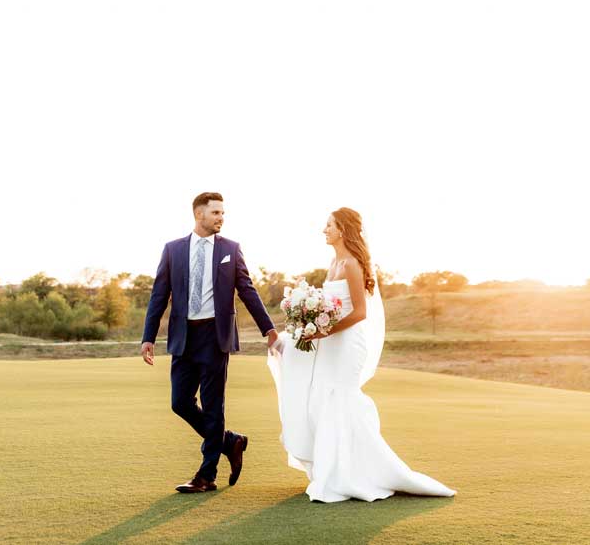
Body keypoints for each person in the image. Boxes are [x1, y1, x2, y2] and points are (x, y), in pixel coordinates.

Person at [267, 207, 456, 502]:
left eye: (328, 225)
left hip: (347, 344)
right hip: (329, 342)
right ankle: (333, 471)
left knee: (340, 400)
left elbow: (359, 312)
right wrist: (309, 321)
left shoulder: (352, 264)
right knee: (323, 402)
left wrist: (323, 330)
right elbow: (329, 307)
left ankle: (355, 474)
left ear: (342, 229)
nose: (324, 230)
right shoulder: (333, 262)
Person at [141, 192, 278, 493]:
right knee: (180, 402)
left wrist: (267, 327)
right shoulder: (173, 250)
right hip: (184, 337)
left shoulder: (231, 249)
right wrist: (148, 337)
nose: (221, 218)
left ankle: (207, 475)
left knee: (213, 406)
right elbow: (159, 295)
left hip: (216, 337)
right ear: (199, 215)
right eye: (215, 212)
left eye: (222, 213)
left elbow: (247, 290)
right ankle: (230, 441)